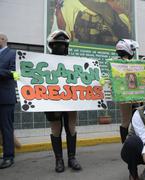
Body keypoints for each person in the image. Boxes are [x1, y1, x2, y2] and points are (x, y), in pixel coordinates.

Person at [45, 30, 82, 173]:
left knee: (71, 127)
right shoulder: (43, 61)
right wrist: (22, 78)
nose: (60, 47)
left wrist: (96, 82)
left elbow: (82, 78)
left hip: (70, 100)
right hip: (51, 101)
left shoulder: (73, 62)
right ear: (51, 45)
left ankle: (72, 158)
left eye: (63, 45)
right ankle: (58, 159)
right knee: (56, 129)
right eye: (56, 45)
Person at [53, 0, 131, 44]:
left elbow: (120, 13)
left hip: (111, 47)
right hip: (84, 48)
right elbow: (63, 30)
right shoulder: (69, 3)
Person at [114, 39, 141, 144]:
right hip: (128, 93)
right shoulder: (119, 63)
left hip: (128, 93)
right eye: (132, 49)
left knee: (129, 120)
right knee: (127, 121)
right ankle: (126, 145)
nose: (133, 52)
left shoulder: (115, 63)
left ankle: (129, 143)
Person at [0, 33, 18, 169]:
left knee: (6, 128)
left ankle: (8, 156)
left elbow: (14, 72)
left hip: (5, 98)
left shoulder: (12, 54)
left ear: (3, 40)